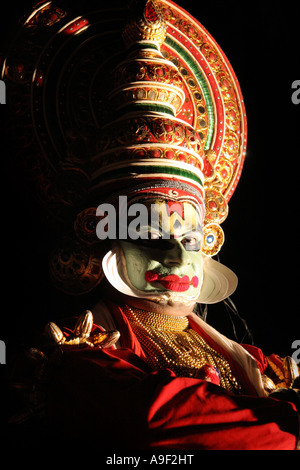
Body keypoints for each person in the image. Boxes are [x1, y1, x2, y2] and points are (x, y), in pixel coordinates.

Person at [4, 0, 300, 450]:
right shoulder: (76, 360)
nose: (180, 256)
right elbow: (153, 419)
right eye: (149, 232)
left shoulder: (257, 365)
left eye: (190, 236)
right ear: (102, 233)